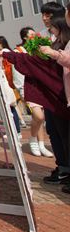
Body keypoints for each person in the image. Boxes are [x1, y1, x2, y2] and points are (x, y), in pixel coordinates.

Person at [3, 24, 69, 187]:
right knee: (50, 128)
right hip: (42, 91)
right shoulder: (27, 49)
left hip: (59, 94)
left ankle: (39, 145)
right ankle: (56, 161)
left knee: (53, 127)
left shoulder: (58, 45)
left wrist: (53, 53)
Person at [38, 11, 70, 192]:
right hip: (56, 96)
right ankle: (64, 168)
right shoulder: (55, 41)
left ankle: (65, 169)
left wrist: (54, 54)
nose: (45, 20)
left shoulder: (63, 44)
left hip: (60, 97)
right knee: (57, 133)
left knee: (63, 135)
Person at [15, 26, 53, 157]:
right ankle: (32, 139)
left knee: (40, 118)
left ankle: (41, 145)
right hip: (28, 87)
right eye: (31, 34)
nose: (35, 36)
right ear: (25, 37)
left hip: (40, 87)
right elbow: (18, 74)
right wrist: (21, 90)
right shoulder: (19, 51)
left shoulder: (37, 49)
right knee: (39, 116)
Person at [0, 37, 21, 137]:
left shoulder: (4, 52)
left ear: (1, 43)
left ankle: (15, 131)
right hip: (6, 81)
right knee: (11, 107)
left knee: (9, 107)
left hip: (5, 81)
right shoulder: (5, 51)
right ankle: (15, 131)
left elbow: (2, 66)